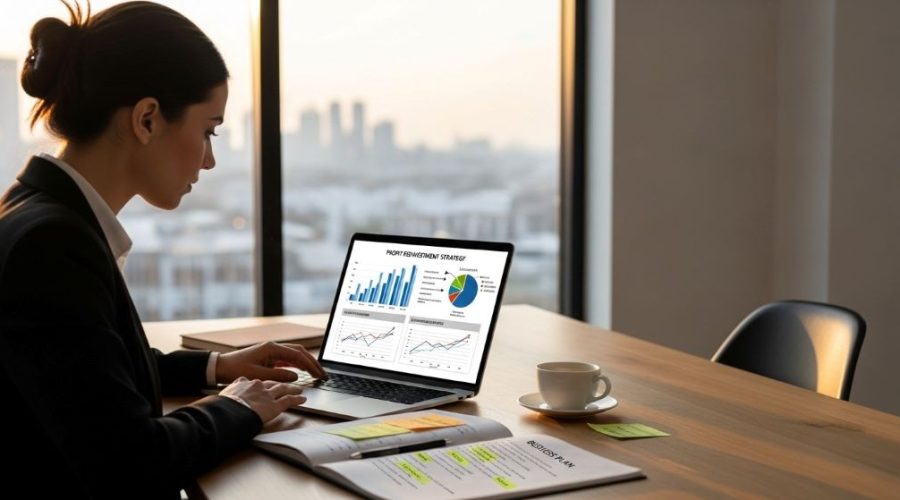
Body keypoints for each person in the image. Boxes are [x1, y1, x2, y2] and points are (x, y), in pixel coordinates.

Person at [0, 2, 325, 498]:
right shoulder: (52, 245)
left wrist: (216, 368)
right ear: (147, 119)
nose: (211, 159)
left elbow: (86, 374)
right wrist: (238, 406)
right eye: (208, 130)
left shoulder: (30, 209)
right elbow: (132, 459)